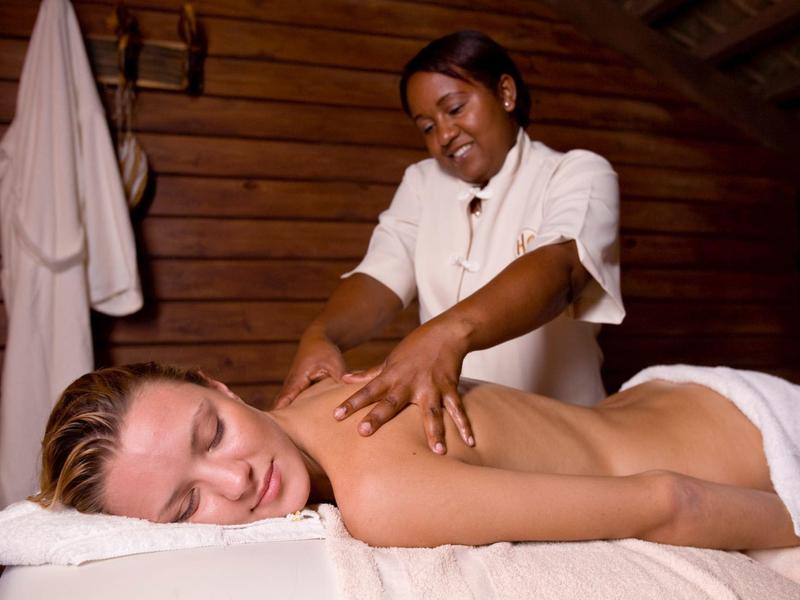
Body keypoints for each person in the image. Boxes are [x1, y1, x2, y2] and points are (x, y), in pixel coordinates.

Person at [276, 31, 624, 455]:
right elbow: (382, 273)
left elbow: (563, 269)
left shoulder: (578, 173)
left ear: (506, 93)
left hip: (570, 440)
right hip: (468, 445)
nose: (444, 135)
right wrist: (321, 334)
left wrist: (446, 334)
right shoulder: (422, 183)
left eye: (455, 108)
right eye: (426, 126)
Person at [33, 362, 800, 551]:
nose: (236, 478)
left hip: (756, 446)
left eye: (212, 435)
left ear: (219, 384)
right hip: (688, 394)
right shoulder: (318, 393)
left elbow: (672, 502)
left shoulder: (381, 499)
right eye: (188, 504)